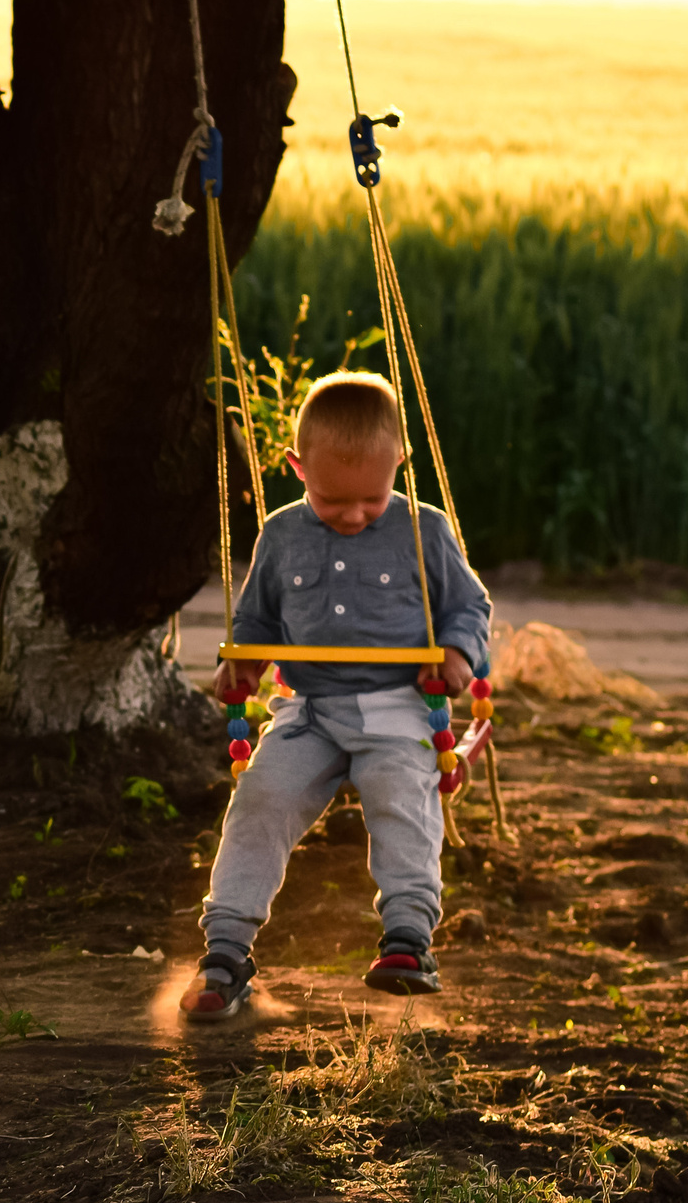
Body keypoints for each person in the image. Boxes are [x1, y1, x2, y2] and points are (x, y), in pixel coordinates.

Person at [180, 371, 491, 1023]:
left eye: (371, 500)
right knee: (259, 800)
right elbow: (259, 620)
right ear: (297, 467)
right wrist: (242, 665)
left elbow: (468, 605)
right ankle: (226, 948)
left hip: (399, 705)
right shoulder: (281, 534)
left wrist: (458, 654)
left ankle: (408, 939)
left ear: (399, 462)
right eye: (331, 499)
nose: (352, 514)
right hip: (308, 708)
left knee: (403, 798)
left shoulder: (425, 531)